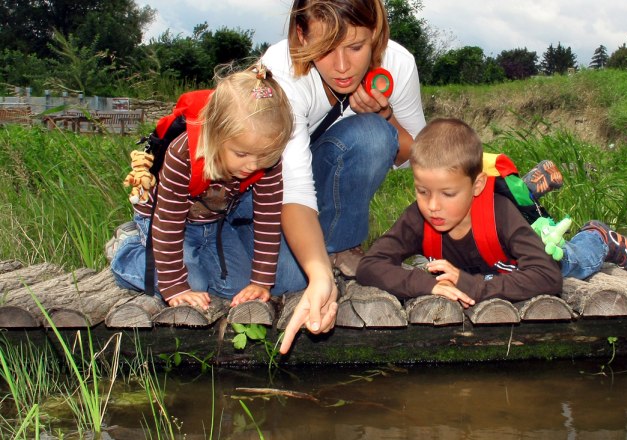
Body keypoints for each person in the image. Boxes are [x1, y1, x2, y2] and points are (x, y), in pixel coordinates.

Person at [261, 0, 426, 291]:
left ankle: (340, 245)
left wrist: (385, 116)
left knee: (374, 134)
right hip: (276, 187)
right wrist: (318, 275)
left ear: (374, 32)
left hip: (323, 171)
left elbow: (415, 153)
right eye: (325, 48)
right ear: (301, 35)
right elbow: (293, 187)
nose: (342, 67)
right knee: (290, 280)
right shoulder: (281, 71)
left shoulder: (398, 63)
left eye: (355, 47)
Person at [109, 63, 294, 311]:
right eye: (241, 154)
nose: (253, 165)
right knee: (191, 283)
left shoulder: (264, 158)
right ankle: (126, 251)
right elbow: (168, 223)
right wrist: (175, 287)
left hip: (211, 224)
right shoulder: (183, 154)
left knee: (238, 287)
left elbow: (268, 220)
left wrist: (261, 280)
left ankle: (192, 264)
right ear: (216, 133)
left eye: (265, 157)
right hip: (163, 221)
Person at [356, 118, 563, 306]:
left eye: (448, 193)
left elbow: (548, 276)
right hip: (494, 276)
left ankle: (594, 234)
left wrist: (471, 285)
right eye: (422, 191)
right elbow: (369, 266)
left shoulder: (499, 212)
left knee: (574, 260)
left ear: (477, 185)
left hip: (538, 252)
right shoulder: (418, 218)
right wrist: (427, 285)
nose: (433, 206)